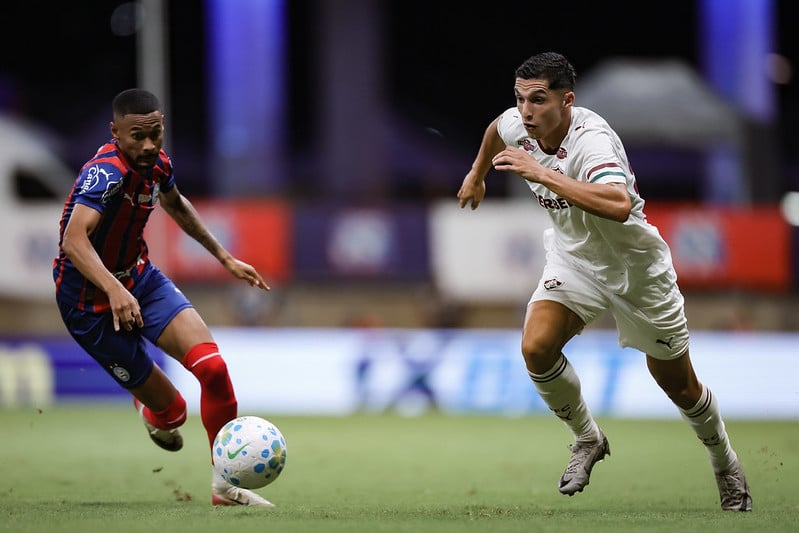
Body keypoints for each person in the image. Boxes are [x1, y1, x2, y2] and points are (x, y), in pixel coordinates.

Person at [456, 52, 752, 512]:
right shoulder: (518, 123)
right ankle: (587, 438)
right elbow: (496, 129)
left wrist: (542, 173)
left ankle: (725, 463)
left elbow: (617, 203)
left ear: (567, 101)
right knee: (536, 347)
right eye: (520, 99)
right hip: (574, 260)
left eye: (538, 99)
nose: (526, 110)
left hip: (636, 270)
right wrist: (477, 175)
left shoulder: (591, 140)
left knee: (679, 384)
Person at [53, 88, 274, 507]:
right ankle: (150, 408)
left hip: (140, 280)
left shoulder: (158, 165)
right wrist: (113, 289)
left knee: (213, 368)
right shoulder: (105, 174)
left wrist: (225, 257)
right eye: (137, 136)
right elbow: (73, 240)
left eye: (155, 133)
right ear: (115, 132)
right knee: (173, 414)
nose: (148, 145)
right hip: (87, 304)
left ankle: (225, 487)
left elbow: (176, 204)